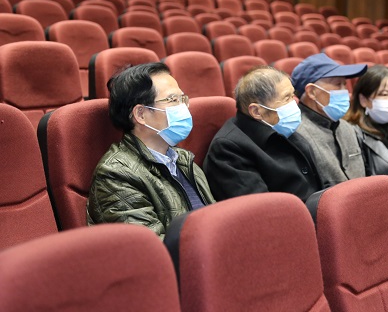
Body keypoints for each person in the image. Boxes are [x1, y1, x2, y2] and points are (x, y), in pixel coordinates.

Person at [87, 63, 215, 239]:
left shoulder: (183, 160)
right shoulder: (116, 174)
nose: (183, 108)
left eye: (183, 99)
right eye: (172, 100)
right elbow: (148, 247)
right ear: (140, 114)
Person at [203, 66, 322, 201]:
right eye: (286, 98)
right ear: (256, 111)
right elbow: (260, 208)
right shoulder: (228, 149)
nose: (295, 102)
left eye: (292, 95)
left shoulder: (282, 126)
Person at [291, 53, 367, 187]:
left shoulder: (349, 128)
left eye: (345, 85)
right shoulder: (296, 135)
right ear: (312, 92)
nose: (345, 92)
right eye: (338, 84)